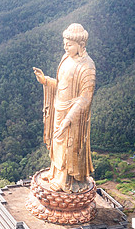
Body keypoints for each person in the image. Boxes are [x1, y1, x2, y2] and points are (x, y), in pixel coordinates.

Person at [32, 23, 95, 193]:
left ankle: (67, 181)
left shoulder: (87, 66)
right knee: (57, 143)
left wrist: (68, 119)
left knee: (69, 146)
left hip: (74, 116)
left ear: (80, 45)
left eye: (69, 44)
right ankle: (55, 173)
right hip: (59, 108)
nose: (65, 47)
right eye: (64, 43)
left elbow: (85, 98)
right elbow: (61, 86)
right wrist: (46, 81)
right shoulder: (65, 58)